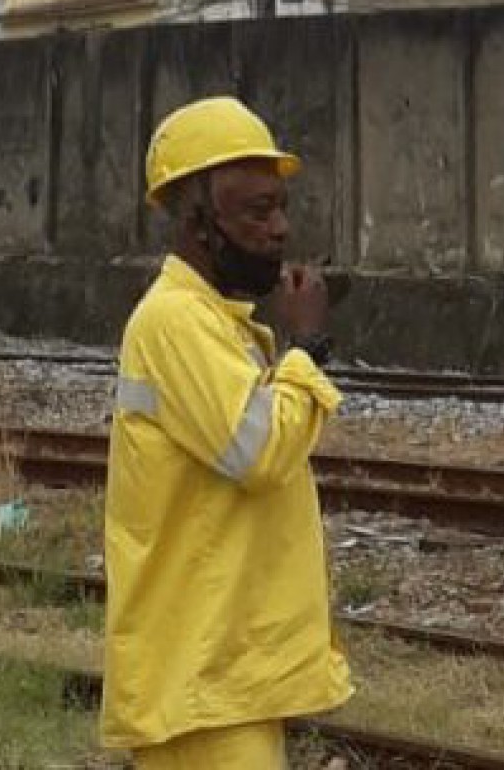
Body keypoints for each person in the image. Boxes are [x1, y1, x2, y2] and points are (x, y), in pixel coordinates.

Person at [101, 96, 353, 769]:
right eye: (256, 211)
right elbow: (259, 451)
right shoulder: (176, 322)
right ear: (195, 223)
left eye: (280, 207)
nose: (279, 229)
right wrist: (306, 347)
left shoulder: (215, 322)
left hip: (220, 674)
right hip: (200, 679)